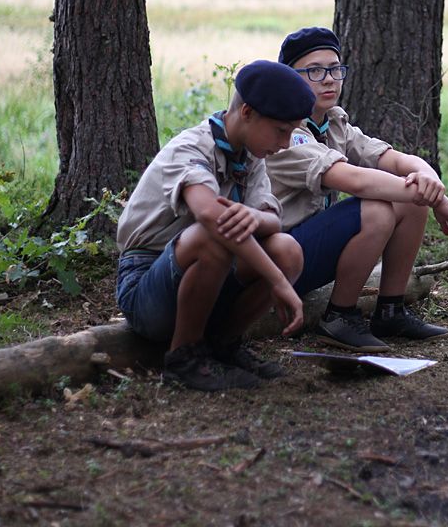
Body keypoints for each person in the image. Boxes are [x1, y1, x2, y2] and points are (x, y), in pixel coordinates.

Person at [115, 60, 316, 391]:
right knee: (211, 238)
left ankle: (222, 346)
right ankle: (184, 359)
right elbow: (211, 216)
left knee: (287, 250)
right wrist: (277, 281)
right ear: (247, 112)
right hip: (146, 286)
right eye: (281, 131)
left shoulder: (250, 156)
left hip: (209, 279)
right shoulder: (192, 148)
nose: (285, 143)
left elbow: (272, 220)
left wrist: (256, 217)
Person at [266, 26, 448, 352]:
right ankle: (339, 318)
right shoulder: (285, 132)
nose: (329, 79)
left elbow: (395, 159)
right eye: (315, 71)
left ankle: (390, 311)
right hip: (276, 261)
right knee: (376, 208)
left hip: (309, 250)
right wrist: (432, 197)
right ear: (290, 78)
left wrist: (431, 186)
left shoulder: (334, 123)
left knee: (408, 202)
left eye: (335, 69)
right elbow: (354, 180)